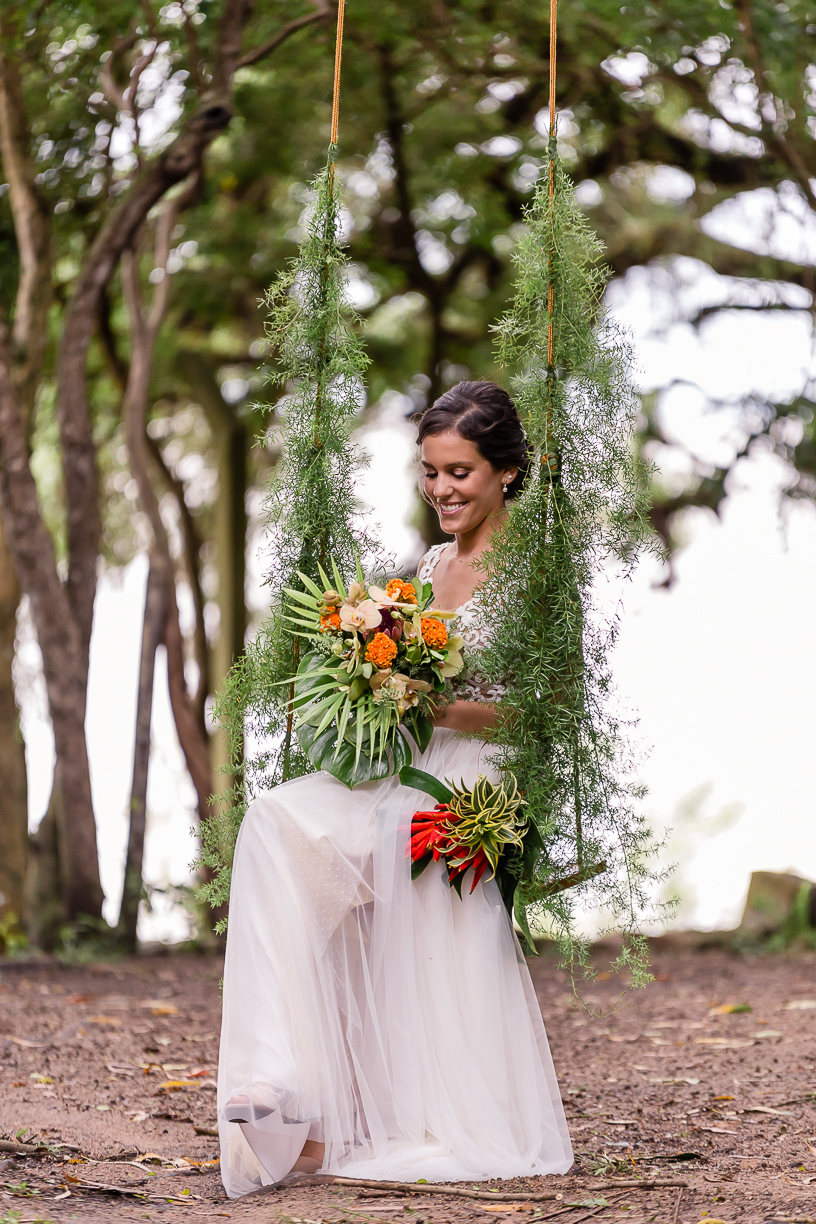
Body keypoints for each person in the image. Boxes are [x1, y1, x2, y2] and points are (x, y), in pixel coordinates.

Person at [217, 381, 574, 1198]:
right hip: (408, 757)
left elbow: (550, 709)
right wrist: (365, 690)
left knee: (403, 831)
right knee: (278, 818)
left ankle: (420, 1110)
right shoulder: (430, 566)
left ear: (508, 472)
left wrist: (433, 703)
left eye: (460, 472)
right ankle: (280, 1078)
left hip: (481, 772)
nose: (441, 489)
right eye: (430, 472)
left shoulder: (536, 573)